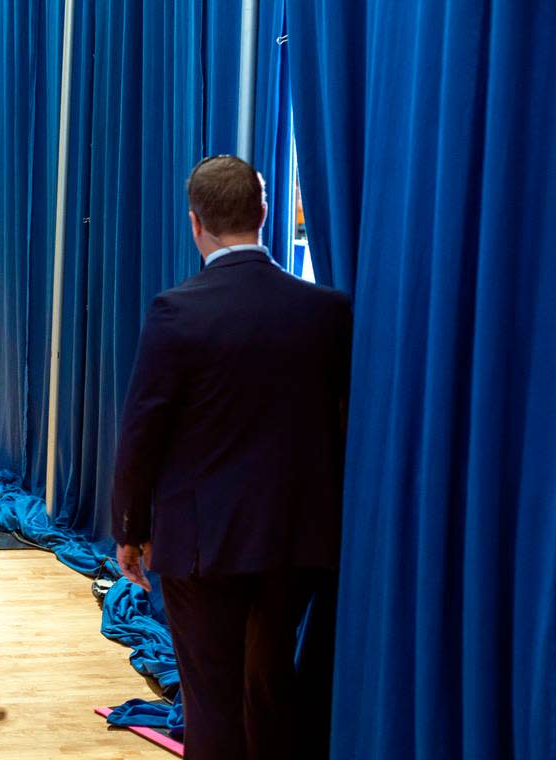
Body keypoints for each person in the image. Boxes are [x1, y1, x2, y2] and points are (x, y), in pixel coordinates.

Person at [110, 155, 352, 759]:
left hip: (202, 544)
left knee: (212, 696)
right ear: (264, 213)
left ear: (196, 223)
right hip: (298, 539)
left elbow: (143, 432)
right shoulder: (327, 310)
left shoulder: (177, 310)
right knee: (270, 683)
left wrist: (130, 530)